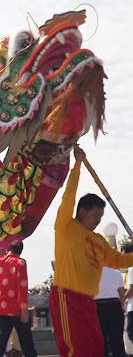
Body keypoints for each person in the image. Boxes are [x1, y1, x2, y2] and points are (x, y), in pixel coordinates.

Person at [49, 146, 133, 357]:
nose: (98, 220)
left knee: (96, 349)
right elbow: (68, 197)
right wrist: (77, 165)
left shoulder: (98, 240)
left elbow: (118, 260)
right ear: (82, 211)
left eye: (101, 216)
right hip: (67, 297)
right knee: (78, 350)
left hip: (89, 301)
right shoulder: (66, 226)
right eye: (96, 214)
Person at [0, 242, 37, 357]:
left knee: (1, 338)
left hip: (2, 307)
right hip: (16, 308)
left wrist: (0, 253)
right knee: (26, 340)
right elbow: (22, 286)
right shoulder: (20, 263)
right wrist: (24, 308)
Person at [94, 266, 126, 357]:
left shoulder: (93, 272)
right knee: (117, 340)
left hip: (98, 305)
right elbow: (121, 293)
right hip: (115, 305)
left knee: (101, 341)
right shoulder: (116, 273)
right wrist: (121, 308)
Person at [122, 243, 133, 344]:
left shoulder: (131, 268)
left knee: (131, 333)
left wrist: (123, 299)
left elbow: (132, 289)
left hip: (132, 308)